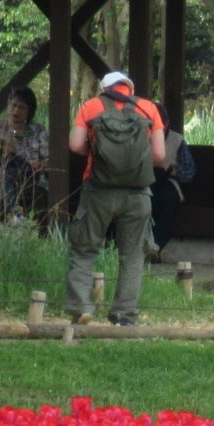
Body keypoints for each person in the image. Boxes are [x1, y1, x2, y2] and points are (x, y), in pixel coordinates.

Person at [63, 70, 166, 327]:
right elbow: (159, 154)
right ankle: (124, 315)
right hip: (137, 193)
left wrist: (97, 155)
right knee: (132, 255)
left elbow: (75, 145)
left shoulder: (91, 106)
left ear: (104, 89)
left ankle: (81, 308)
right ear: (128, 89)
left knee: (85, 249)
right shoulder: (148, 108)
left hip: (98, 189)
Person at [0, 86, 48, 219]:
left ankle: (15, 214)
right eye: (13, 106)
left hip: (31, 177)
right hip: (1, 177)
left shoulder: (38, 131)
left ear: (29, 112)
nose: (15, 111)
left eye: (22, 108)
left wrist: (40, 164)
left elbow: (49, 160)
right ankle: (14, 214)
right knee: (7, 166)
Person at [149, 122, 195, 259]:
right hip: (142, 182)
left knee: (169, 199)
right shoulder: (140, 135)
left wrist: (172, 169)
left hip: (167, 183)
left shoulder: (177, 140)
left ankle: (155, 247)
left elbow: (189, 172)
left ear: (167, 124)